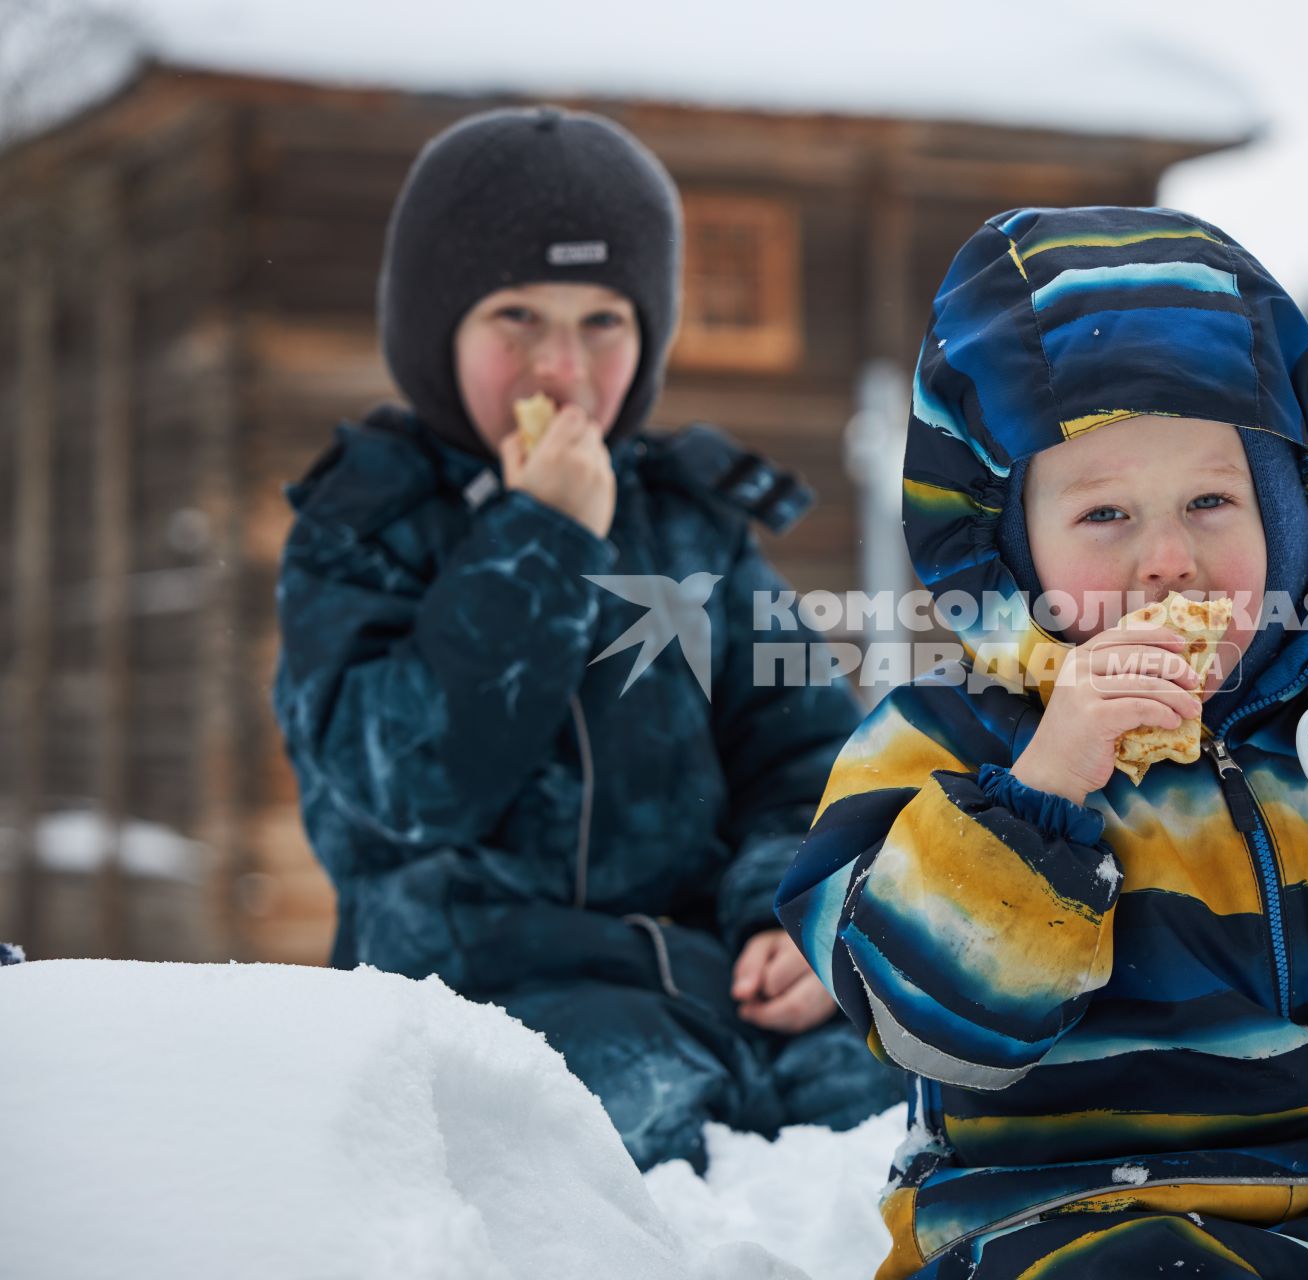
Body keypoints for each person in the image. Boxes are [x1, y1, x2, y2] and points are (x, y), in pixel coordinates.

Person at [776, 206, 1308, 1278]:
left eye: (1214, 499)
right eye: (1105, 516)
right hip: (1065, 1210)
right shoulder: (937, 741)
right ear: (1011, 550)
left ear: (1291, 521)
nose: (1170, 559)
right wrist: (1044, 784)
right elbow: (923, 1015)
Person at [271, 105, 900, 1172]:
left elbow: (806, 758)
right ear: (436, 329)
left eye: (603, 319)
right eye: (516, 313)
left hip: (718, 981)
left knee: (920, 1111)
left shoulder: (691, 519)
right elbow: (410, 785)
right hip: (484, 996)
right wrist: (542, 537)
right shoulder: (364, 527)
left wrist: (792, 914)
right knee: (622, 1165)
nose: (560, 366)